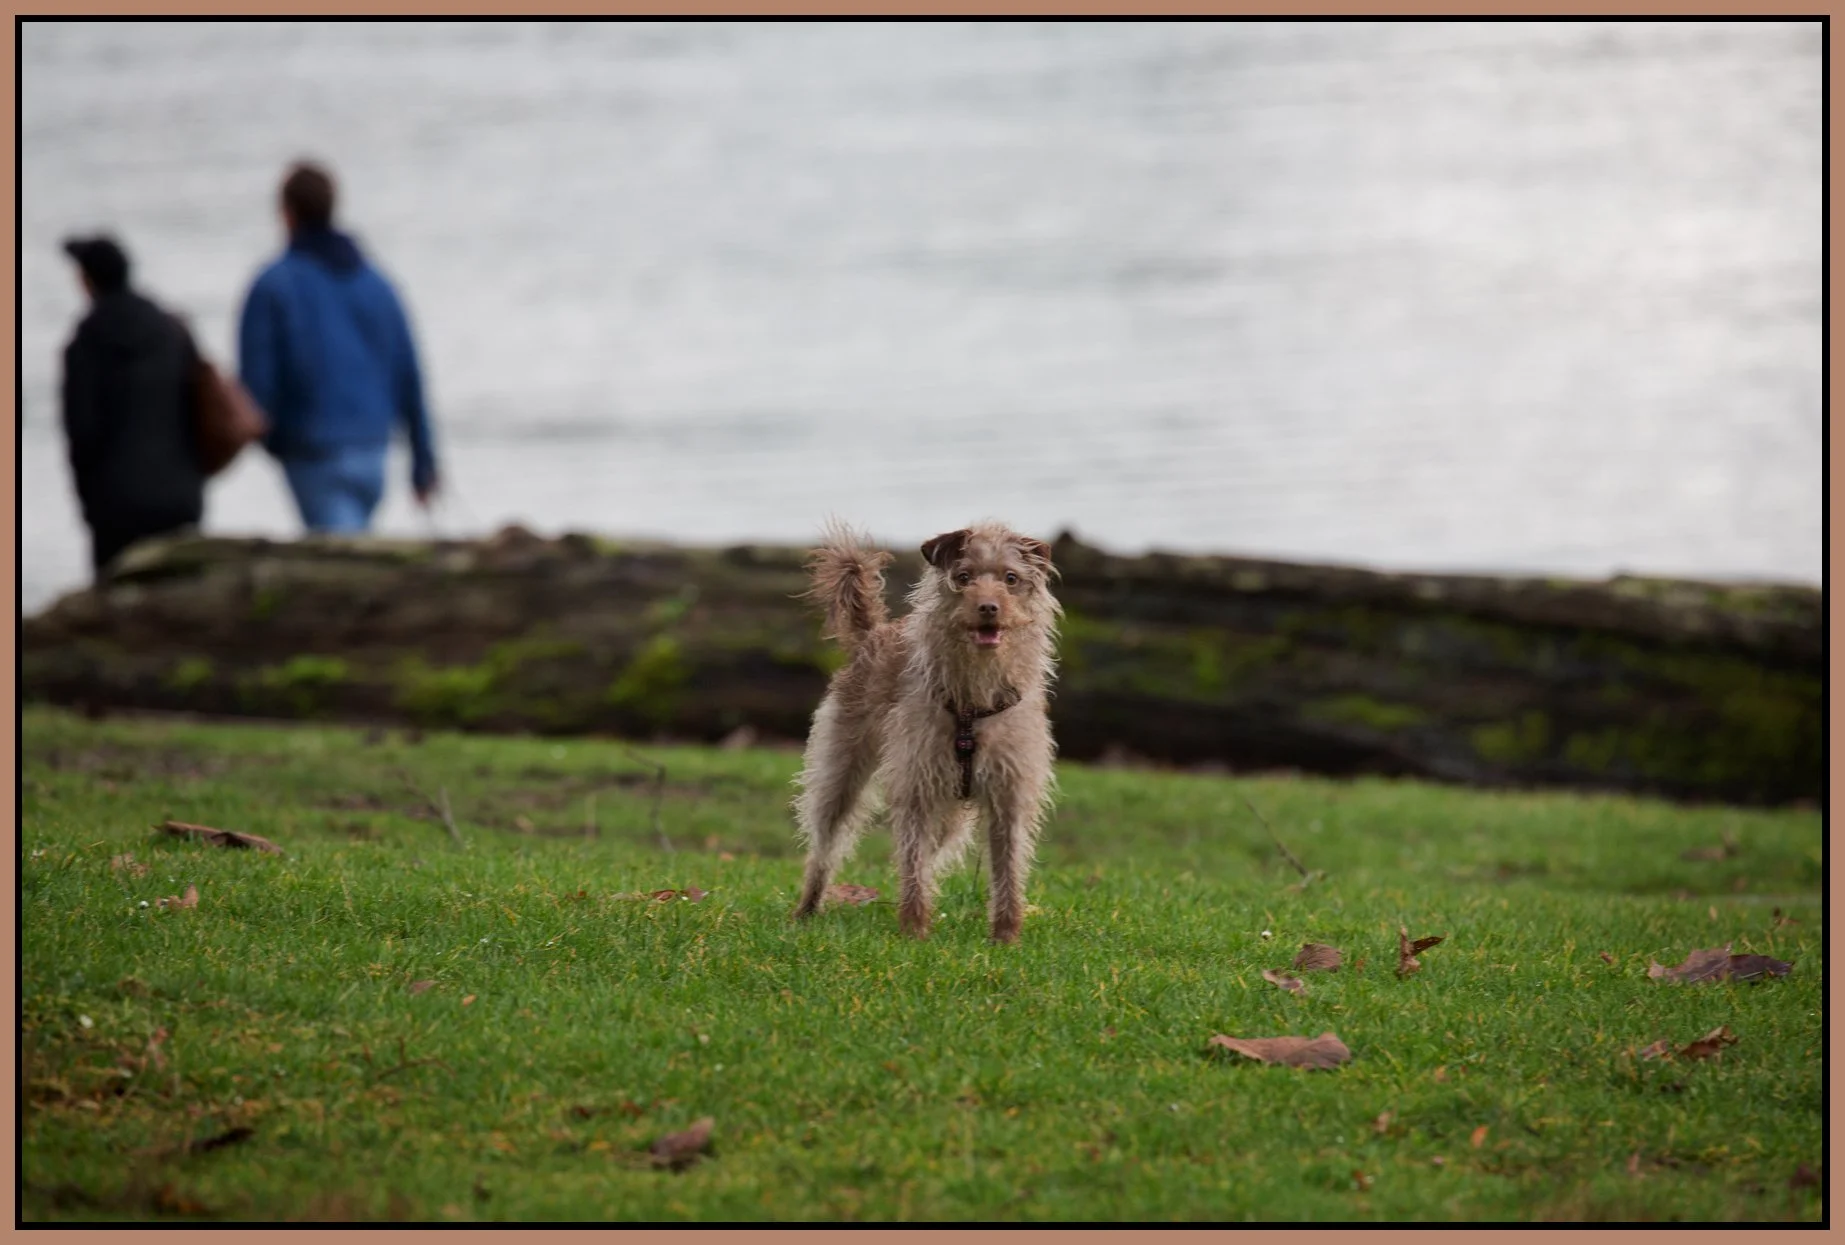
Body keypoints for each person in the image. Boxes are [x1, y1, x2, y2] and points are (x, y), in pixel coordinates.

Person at [238, 161, 439, 532]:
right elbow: (409, 373)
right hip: (374, 449)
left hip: (314, 452)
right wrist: (423, 462)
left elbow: (257, 383)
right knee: (352, 545)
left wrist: (268, 439)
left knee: (342, 552)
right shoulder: (377, 283)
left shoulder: (274, 285)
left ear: (287, 214)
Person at [59, 235, 207, 576]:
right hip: (180, 498)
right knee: (177, 589)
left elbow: (82, 434)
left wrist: (89, 505)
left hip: (115, 505)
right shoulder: (172, 330)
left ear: (86, 281)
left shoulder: (86, 343)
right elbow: (199, 409)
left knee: (117, 593)